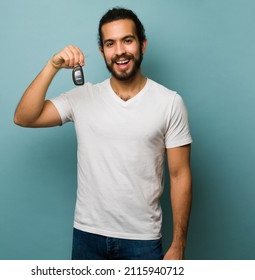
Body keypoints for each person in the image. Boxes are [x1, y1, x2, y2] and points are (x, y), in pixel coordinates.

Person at [14, 7, 192, 260]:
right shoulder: (83, 98)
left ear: (143, 45)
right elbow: (24, 117)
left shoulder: (170, 102)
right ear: (102, 52)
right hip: (87, 236)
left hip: (142, 240)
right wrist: (52, 66)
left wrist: (179, 245)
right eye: (110, 43)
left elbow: (179, 175)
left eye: (127, 41)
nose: (119, 51)